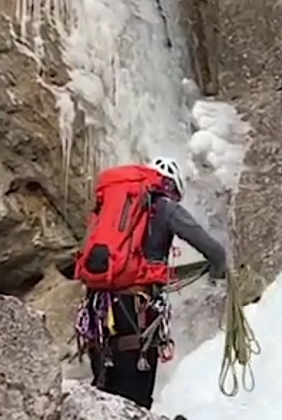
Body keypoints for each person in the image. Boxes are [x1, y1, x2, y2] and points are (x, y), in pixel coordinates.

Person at [73, 156, 230, 411]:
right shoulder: (164, 207)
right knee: (135, 401)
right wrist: (218, 273)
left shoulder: (111, 205)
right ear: (172, 187)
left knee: (104, 394)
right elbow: (214, 251)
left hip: (97, 311)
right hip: (136, 312)